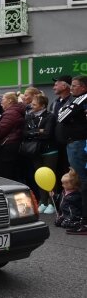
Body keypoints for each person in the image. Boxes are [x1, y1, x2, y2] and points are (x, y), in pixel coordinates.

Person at [58, 75, 87, 235]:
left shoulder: (82, 99)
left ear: (83, 87)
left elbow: (62, 116)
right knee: (80, 180)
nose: (72, 88)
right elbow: (61, 114)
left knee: (81, 181)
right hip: (74, 144)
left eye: (75, 86)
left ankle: (84, 220)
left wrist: (66, 111)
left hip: (78, 144)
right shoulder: (76, 100)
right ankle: (79, 217)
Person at [22, 92, 56, 213]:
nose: (32, 106)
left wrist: (34, 132)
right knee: (40, 177)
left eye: (35, 104)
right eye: (32, 104)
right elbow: (25, 133)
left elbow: (48, 133)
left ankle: (52, 203)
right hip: (34, 151)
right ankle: (43, 201)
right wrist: (38, 131)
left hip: (49, 151)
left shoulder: (50, 116)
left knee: (50, 176)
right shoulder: (28, 116)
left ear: (42, 106)